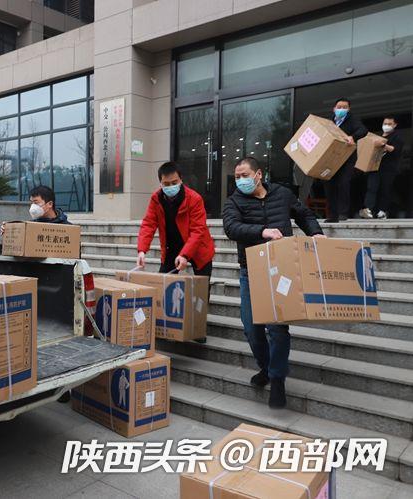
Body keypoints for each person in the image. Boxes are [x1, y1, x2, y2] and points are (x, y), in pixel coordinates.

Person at [222, 157, 324, 409]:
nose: (240, 180)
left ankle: (277, 378)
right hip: (251, 270)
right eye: (237, 177)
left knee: (277, 328)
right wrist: (262, 231)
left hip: (281, 270)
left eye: (244, 175)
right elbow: (231, 228)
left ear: (258, 174)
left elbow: (303, 214)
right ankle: (266, 367)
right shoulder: (234, 201)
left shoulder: (282, 194)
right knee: (251, 328)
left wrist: (316, 233)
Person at [137, 162, 215, 278]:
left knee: (201, 286)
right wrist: (142, 250)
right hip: (171, 247)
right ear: (160, 183)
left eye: (174, 183)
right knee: (164, 282)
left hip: (198, 247)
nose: (170, 187)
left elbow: (198, 230)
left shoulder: (194, 199)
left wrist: (185, 255)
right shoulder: (156, 198)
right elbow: (149, 224)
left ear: (181, 180)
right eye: (166, 184)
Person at [324, 98, 367, 223]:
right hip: (331, 158)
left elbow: (363, 130)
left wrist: (353, 137)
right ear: (334, 109)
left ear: (348, 109)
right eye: (339, 107)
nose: (341, 109)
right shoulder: (329, 121)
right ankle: (332, 215)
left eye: (344, 107)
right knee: (329, 185)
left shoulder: (352, 120)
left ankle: (343, 212)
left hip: (347, 158)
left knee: (343, 183)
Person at [359, 116, 405, 220]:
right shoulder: (378, 138)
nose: (386, 126)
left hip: (388, 169)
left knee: (385, 189)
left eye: (389, 124)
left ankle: (382, 211)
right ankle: (368, 209)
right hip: (375, 167)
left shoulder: (397, 137)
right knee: (371, 187)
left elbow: (393, 149)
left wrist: (383, 145)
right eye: (385, 124)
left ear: (395, 125)